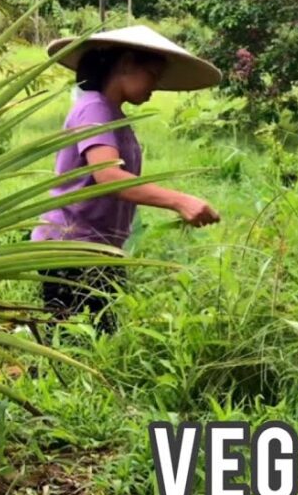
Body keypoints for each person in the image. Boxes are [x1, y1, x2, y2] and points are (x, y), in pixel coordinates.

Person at [32, 26, 222, 333]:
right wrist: (180, 200)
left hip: (98, 248)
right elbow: (108, 176)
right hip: (70, 249)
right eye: (152, 75)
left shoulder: (111, 113)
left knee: (95, 338)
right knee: (75, 341)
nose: (155, 86)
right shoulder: (94, 108)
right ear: (126, 64)